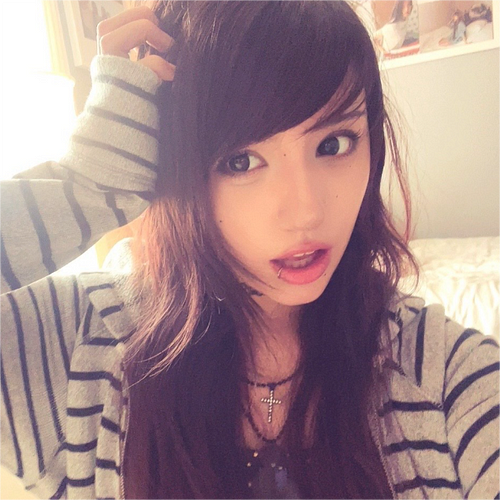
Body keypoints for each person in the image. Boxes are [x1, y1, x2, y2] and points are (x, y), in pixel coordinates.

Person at [0, 1, 499, 500]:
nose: (305, 212)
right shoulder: (78, 351)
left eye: (333, 144)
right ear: (176, 167)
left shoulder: (446, 376)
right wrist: (85, 186)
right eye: (240, 161)